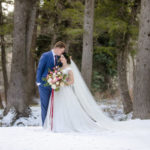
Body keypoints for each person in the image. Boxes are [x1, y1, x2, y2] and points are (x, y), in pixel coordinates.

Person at [43, 52, 116, 133]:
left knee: (66, 107)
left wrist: (62, 83)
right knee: (58, 106)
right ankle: (57, 125)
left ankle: (67, 125)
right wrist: (54, 81)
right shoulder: (59, 68)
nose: (61, 59)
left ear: (67, 59)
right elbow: (56, 77)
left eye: (63, 57)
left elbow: (72, 81)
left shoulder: (69, 69)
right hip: (58, 91)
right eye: (61, 57)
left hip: (66, 90)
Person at [36, 41, 65, 126]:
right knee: (45, 105)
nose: (62, 52)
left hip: (54, 84)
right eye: (61, 50)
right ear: (57, 48)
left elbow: (58, 68)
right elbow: (40, 68)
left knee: (53, 105)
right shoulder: (46, 55)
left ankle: (52, 124)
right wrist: (38, 81)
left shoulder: (58, 57)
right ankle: (44, 125)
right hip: (44, 84)